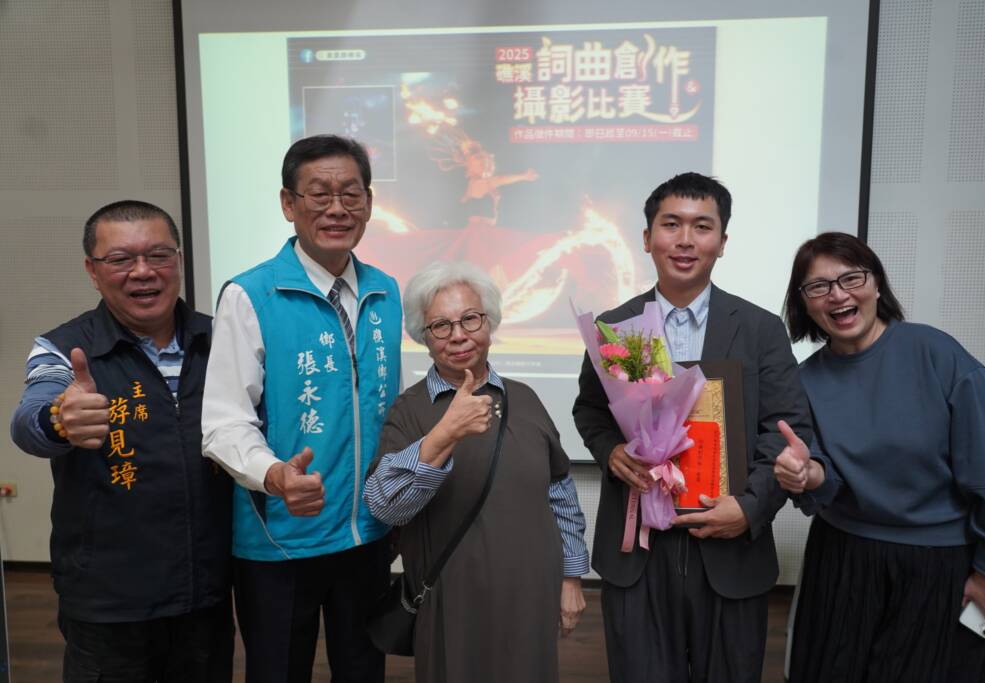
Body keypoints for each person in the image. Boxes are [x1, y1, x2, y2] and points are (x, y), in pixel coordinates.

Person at [573, 172, 813, 682]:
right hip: (638, 554)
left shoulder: (760, 329)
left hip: (730, 550)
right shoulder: (616, 325)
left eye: (702, 227)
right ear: (647, 238)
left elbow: (785, 430)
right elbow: (590, 411)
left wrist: (749, 509)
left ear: (722, 242)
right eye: (671, 224)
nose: (685, 240)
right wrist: (611, 450)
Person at [773, 231, 985, 682]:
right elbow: (826, 481)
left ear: (876, 285)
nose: (838, 295)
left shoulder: (938, 355)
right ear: (804, 304)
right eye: (819, 286)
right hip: (842, 560)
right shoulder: (805, 381)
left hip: (942, 565)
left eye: (852, 278)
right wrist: (806, 475)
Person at [202, 135, 402, 682]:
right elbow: (223, 422)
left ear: (369, 203)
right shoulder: (251, 295)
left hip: (367, 533)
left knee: (363, 670)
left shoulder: (386, 291)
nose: (337, 209)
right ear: (289, 204)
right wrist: (274, 476)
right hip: (281, 538)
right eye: (319, 194)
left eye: (351, 194)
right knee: (279, 671)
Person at [9, 200, 234, 681]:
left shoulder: (221, 340)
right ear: (92, 271)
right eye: (120, 259)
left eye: (159, 255)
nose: (143, 272)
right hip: (108, 601)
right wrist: (59, 420)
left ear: (179, 261)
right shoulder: (63, 348)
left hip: (206, 591)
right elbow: (28, 420)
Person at [364, 261, 589, 683]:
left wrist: (572, 576)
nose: (458, 335)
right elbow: (384, 505)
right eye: (441, 326)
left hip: (530, 597)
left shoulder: (525, 399)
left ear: (489, 322)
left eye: (470, 318)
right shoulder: (410, 409)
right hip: (451, 600)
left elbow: (560, 492)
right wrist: (445, 433)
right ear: (423, 337)